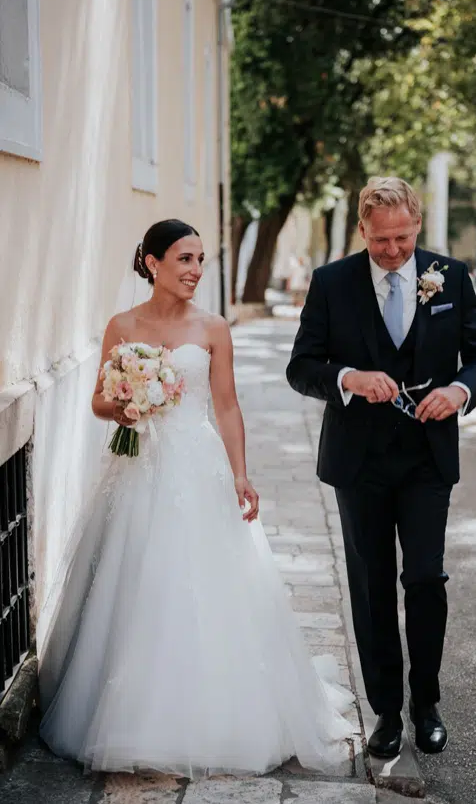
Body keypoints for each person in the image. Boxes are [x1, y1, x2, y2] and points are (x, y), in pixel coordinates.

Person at [38, 219, 354, 777]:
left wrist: (240, 475)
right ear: (152, 262)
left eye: (201, 260)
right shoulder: (121, 325)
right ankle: (132, 714)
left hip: (198, 469)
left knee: (207, 585)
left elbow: (227, 406)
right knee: (137, 584)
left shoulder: (214, 329)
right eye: (184, 259)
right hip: (137, 470)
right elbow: (97, 402)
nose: (195, 271)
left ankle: (216, 713)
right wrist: (129, 403)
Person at [286, 178, 476, 758]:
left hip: (428, 459)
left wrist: (459, 390)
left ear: (417, 226)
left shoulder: (450, 277)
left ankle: (425, 701)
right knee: (373, 585)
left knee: (425, 578)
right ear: (363, 229)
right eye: (381, 240)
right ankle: (385, 711)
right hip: (360, 463)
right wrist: (348, 379)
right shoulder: (332, 283)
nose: (393, 251)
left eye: (403, 238)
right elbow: (301, 366)